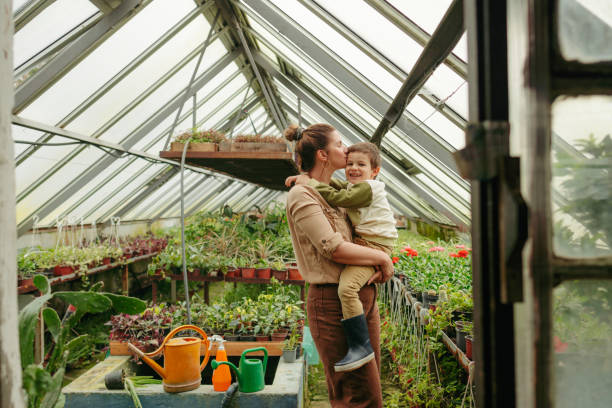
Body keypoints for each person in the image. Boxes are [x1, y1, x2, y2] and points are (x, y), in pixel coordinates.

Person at [284, 123, 394, 407]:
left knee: (370, 390)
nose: (346, 151)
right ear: (322, 155)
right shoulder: (303, 194)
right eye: (340, 145)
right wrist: (382, 258)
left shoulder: (343, 191)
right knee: (355, 396)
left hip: (360, 297)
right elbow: (334, 248)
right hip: (332, 302)